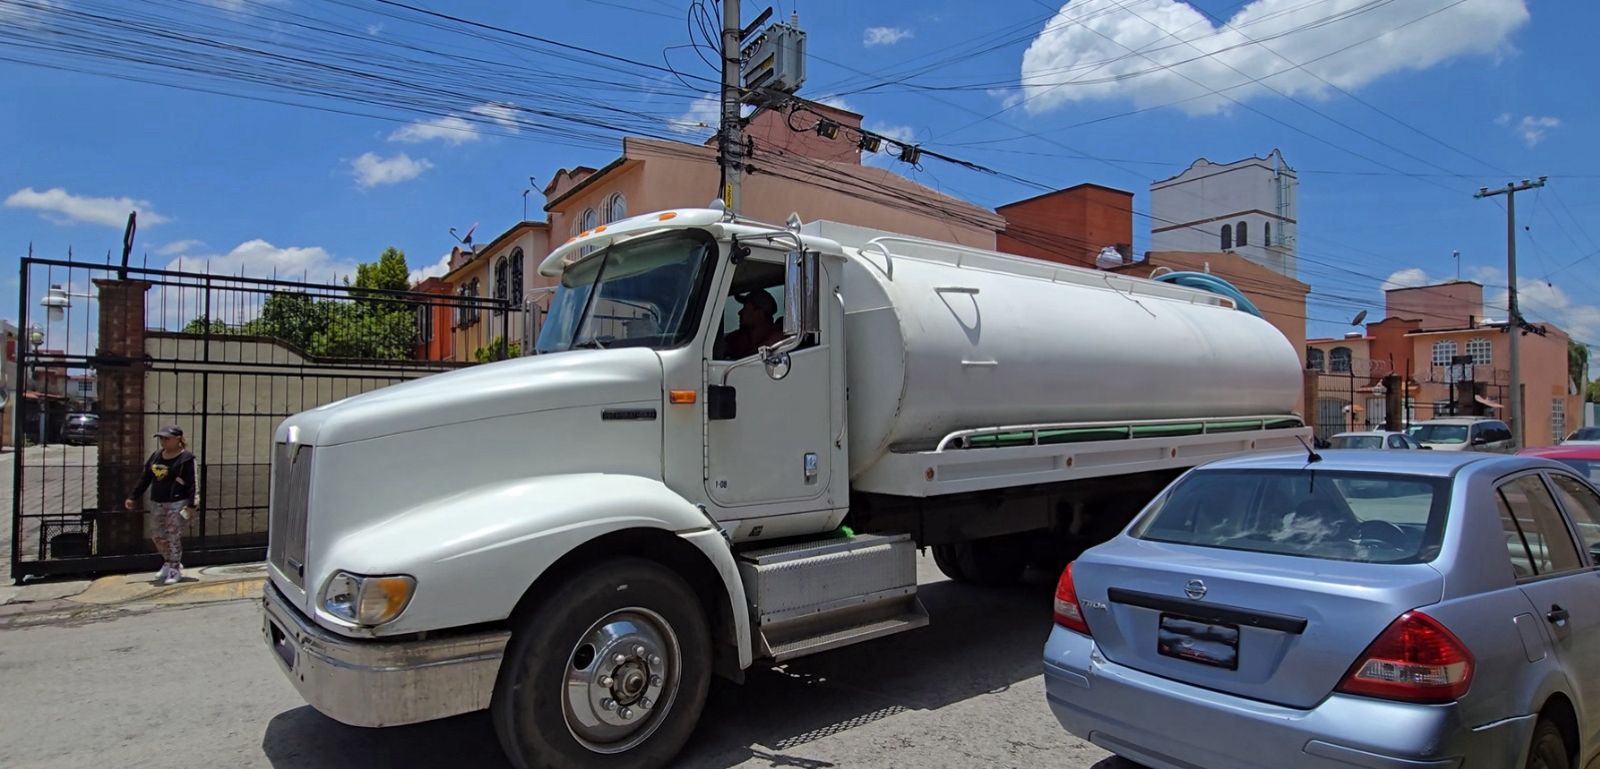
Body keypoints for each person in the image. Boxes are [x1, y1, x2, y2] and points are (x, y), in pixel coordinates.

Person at [125, 425, 198, 585]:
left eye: (167, 438)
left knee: (173, 534)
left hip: (177, 501)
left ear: (178, 439)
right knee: (157, 535)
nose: (163, 442)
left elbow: (193, 483)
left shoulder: (186, 458)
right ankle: (168, 561)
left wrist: (193, 504)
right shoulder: (156, 456)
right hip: (158, 501)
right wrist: (133, 496)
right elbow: (145, 478)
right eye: (161, 438)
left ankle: (174, 568)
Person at [722, 290, 784, 359]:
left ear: (759, 313)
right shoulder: (737, 337)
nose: (739, 312)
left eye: (745, 308)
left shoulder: (777, 342)